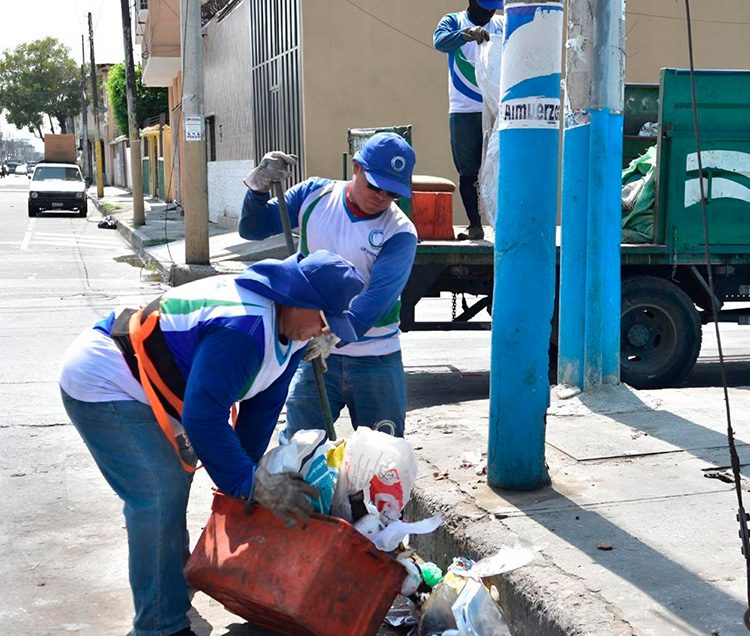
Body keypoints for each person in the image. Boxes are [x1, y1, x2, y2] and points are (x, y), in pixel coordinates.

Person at [59, 251, 364, 636]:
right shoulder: (245, 330)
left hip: (157, 386)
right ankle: (158, 625)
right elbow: (203, 418)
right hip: (107, 377)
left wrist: (246, 489)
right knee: (158, 491)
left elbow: (260, 413)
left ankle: (169, 585)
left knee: (176, 487)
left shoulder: (287, 335)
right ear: (299, 298)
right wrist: (249, 483)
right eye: (324, 320)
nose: (325, 332)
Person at [239, 132, 418, 439]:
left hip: (376, 358)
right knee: (301, 450)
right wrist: (257, 188)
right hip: (313, 353)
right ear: (356, 168)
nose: (381, 197)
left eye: (391, 193)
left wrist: (330, 339)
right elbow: (253, 228)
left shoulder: (400, 231)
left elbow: (376, 300)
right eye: (375, 186)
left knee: (382, 461)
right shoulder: (314, 195)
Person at [434, 0, 505, 241]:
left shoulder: (501, 25)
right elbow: (439, 41)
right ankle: (475, 224)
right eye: (486, 8)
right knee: (468, 171)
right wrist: (466, 35)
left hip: (495, 107)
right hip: (464, 109)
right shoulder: (453, 21)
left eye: (494, 8)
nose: (490, 13)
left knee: (500, 166)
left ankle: (503, 222)